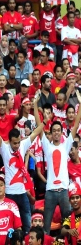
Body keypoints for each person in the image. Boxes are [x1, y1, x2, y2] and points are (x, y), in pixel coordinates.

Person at [34, 90, 81, 234]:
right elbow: (38, 125)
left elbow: (77, 122)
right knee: (46, 226)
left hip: (63, 191)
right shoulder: (46, 146)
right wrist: (35, 104)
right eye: (53, 130)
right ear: (51, 132)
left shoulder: (66, 145)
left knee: (69, 223)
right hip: (50, 192)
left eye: (58, 130)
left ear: (61, 132)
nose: (55, 132)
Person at [0, 113, 44, 235]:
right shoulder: (4, 148)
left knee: (27, 224)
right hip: (9, 193)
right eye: (14, 143)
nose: (17, 145)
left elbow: (35, 133)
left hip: (22, 192)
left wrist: (45, 122)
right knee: (10, 225)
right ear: (9, 141)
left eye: (18, 142)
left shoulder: (23, 145)